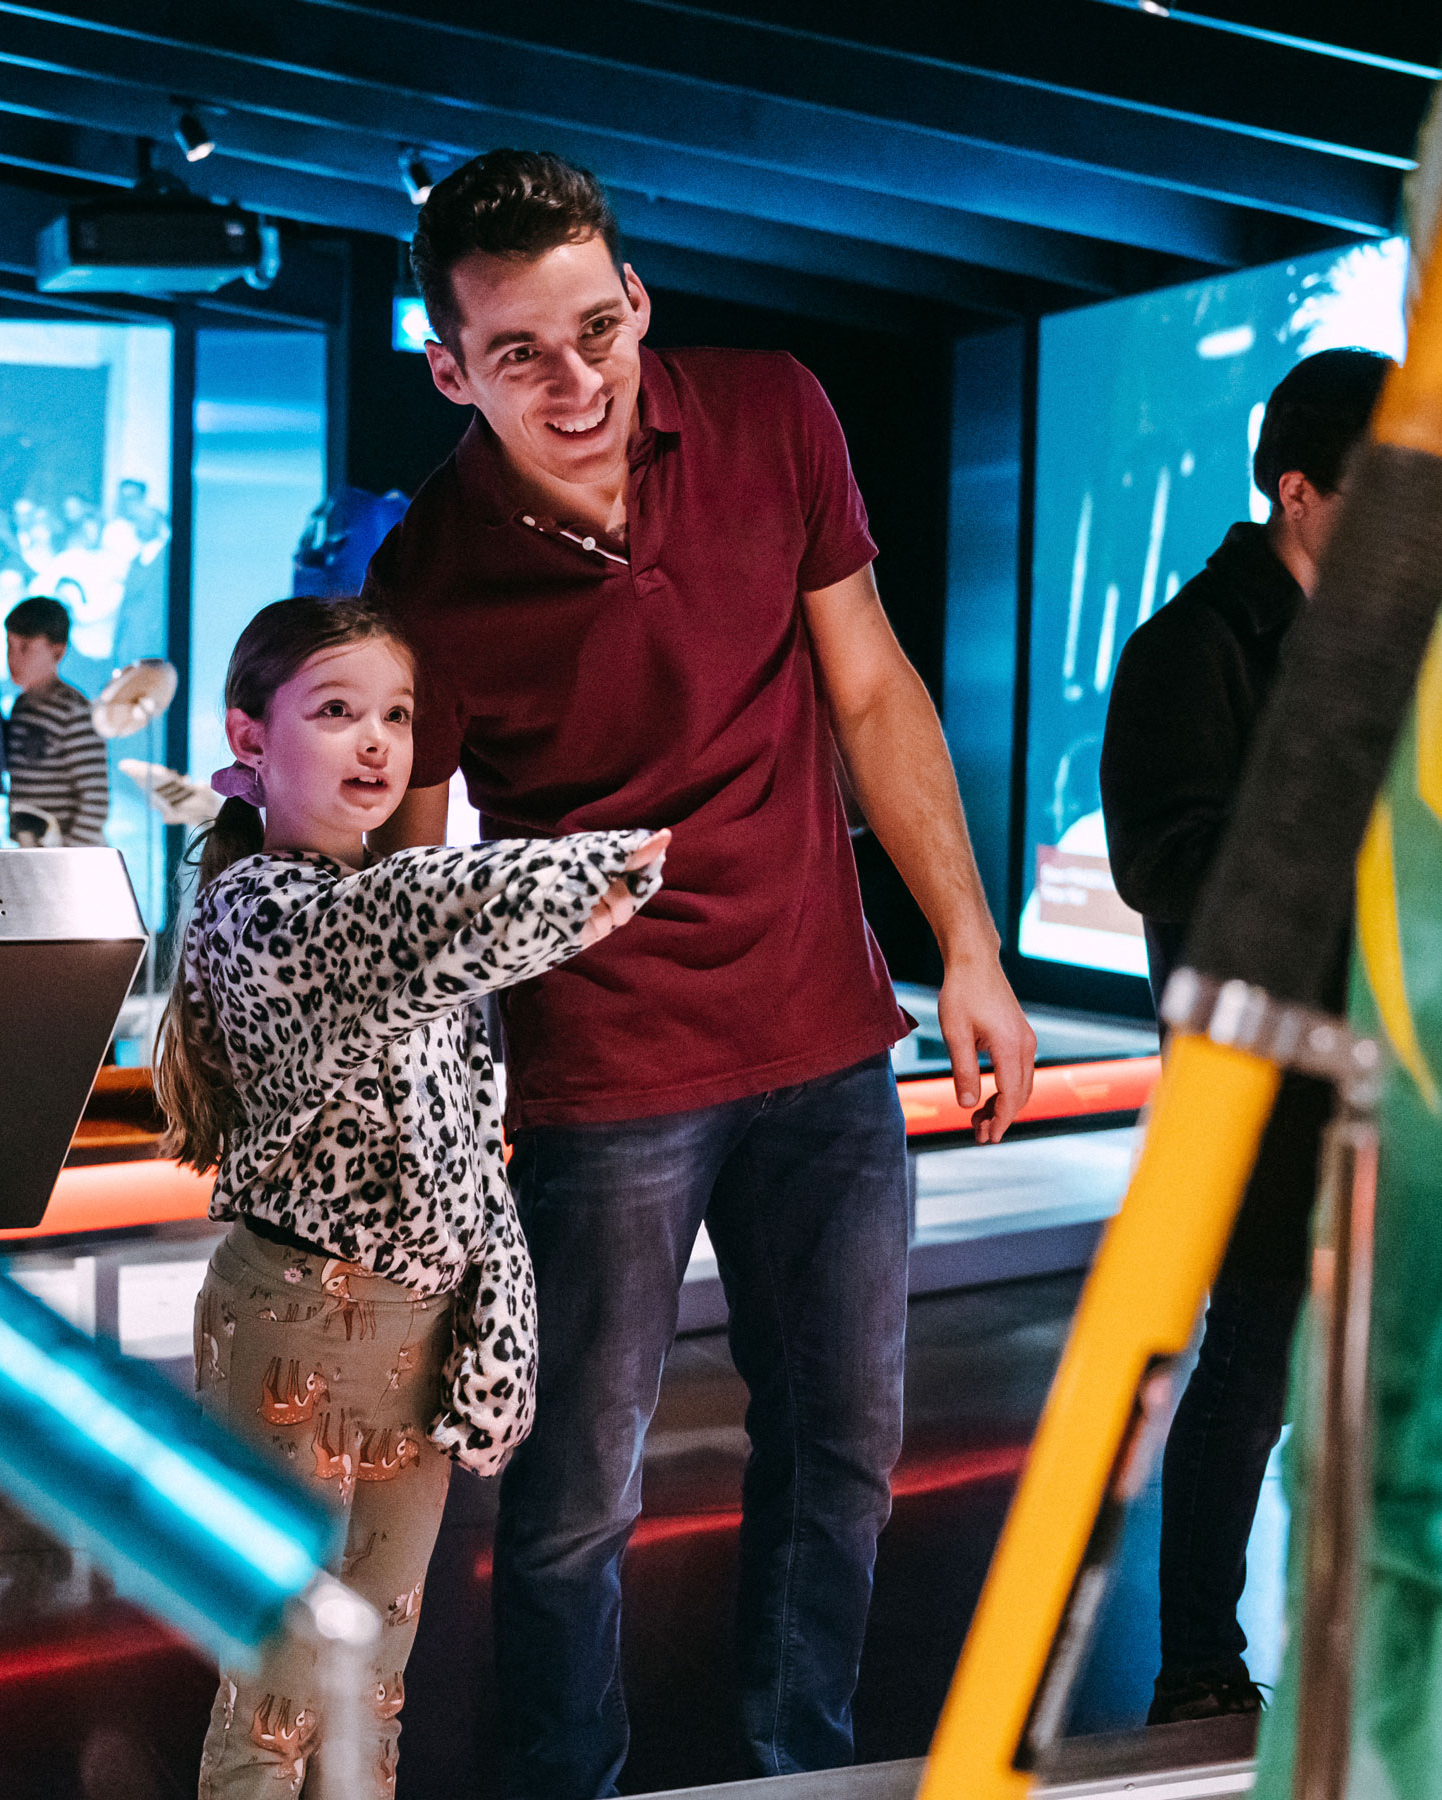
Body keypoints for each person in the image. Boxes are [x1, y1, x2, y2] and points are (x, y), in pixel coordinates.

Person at [365, 150, 1039, 1786]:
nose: (579, 378)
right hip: (600, 1078)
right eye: (520, 352)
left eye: (600, 327)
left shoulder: (774, 413)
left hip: (821, 1036)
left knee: (844, 1456)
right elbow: (417, 880)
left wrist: (970, 946)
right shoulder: (428, 581)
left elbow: (871, 691)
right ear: (450, 368)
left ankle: (794, 1766)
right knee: (577, 1495)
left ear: (639, 300)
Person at [155, 597, 669, 1800]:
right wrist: (577, 875)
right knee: (278, 1683)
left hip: (414, 1330)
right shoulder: (263, 910)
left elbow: (461, 1140)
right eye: (335, 713)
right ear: (248, 738)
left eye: (394, 715)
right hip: (294, 1316)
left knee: (372, 1675)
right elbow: (398, 921)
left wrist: (489, 1324)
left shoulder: (375, 909)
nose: (377, 743)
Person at [1099, 345, 1391, 1726]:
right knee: (1256, 1365)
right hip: (1267, 1081)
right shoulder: (1191, 648)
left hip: (1396, 1071)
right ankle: (1200, 1671)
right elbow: (1174, 863)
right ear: (1301, 493)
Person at [1, 597, 109, 847]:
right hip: (33, 855)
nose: (13, 657)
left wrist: (67, 857)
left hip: (70, 860)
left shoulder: (74, 710)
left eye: (25, 647)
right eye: (9, 645)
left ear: (57, 650)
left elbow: (95, 798)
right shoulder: (20, 707)